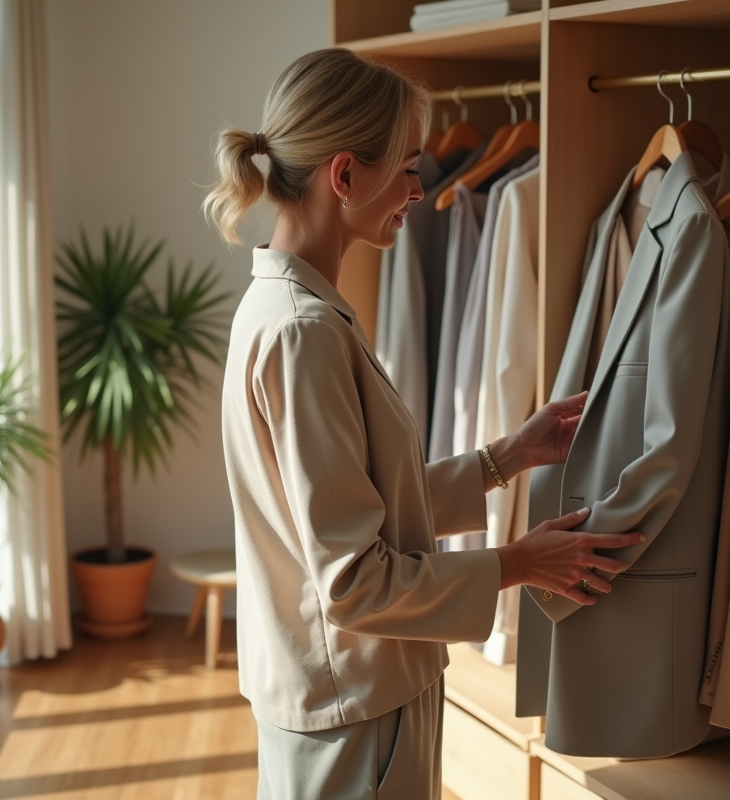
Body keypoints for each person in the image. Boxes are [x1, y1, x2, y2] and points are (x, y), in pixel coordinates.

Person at [203, 48, 643, 800]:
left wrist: (509, 455)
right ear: (346, 175)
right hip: (356, 708)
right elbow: (353, 584)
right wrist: (520, 562)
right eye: (408, 168)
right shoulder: (303, 332)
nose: (418, 189)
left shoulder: (288, 311)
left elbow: (362, 509)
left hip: (349, 697)